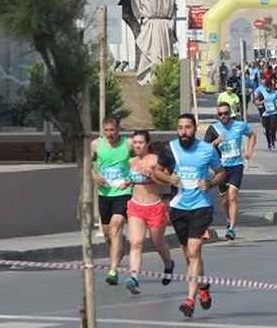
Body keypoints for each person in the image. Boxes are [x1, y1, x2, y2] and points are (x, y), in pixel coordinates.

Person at [154, 114, 226, 318]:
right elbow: (156, 172)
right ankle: (203, 286)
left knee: (194, 251)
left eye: (187, 127)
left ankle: (189, 300)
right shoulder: (170, 149)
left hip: (201, 207)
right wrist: (169, 178)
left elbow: (221, 172)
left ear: (195, 129)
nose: (184, 131)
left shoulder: (207, 149)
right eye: (180, 128)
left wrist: (210, 183)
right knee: (189, 256)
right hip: (178, 208)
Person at [124, 130, 174, 294]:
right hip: (135, 206)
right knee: (136, 243)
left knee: (157, 243)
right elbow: (132, 179)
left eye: (140, 143)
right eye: (135, 143)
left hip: (154, 207)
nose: (137, 146)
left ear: (147, 144)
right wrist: (127, 182)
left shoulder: (155, 160)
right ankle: (134, 278)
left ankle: (168, 264)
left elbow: (167, 181)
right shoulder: (131, 161)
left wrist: (152, 175)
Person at [203, 103, 257, 240]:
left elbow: (252, 135)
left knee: (232, 196)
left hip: (236, 166)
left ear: (230, 113)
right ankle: (228, 221)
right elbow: (204, 148)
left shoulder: (240, 125)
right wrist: (216, 141)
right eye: (220, 114)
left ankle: (232, 228)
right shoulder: (213, 128)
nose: (223, 116)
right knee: (224, 200)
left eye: (226, 113)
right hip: (221, 169)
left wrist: (249, 151)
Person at [91, 117, 133, 286]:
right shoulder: (96, 144)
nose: (109, 134)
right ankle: (119, 246)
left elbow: (140, 161)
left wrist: (131, 178)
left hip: (123, 192)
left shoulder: (128, 144)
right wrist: (95, 176)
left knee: (116, 226)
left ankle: (113, 270)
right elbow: (87, 163)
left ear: (118, 130)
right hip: (104, 193)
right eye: (106, 130)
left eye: (112, 130)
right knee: (109, 234)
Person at [255, 79, 277, 149]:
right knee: (267, 129)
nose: (268, 88)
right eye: (266, 87)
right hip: (265, 113)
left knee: (273, 127)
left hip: (274, 112)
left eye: (269, 87)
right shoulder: (261, 92)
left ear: (271, 86)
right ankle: (269, 142)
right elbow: (256, 101)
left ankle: (273, 140)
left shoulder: (276, 92)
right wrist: (261, 102)